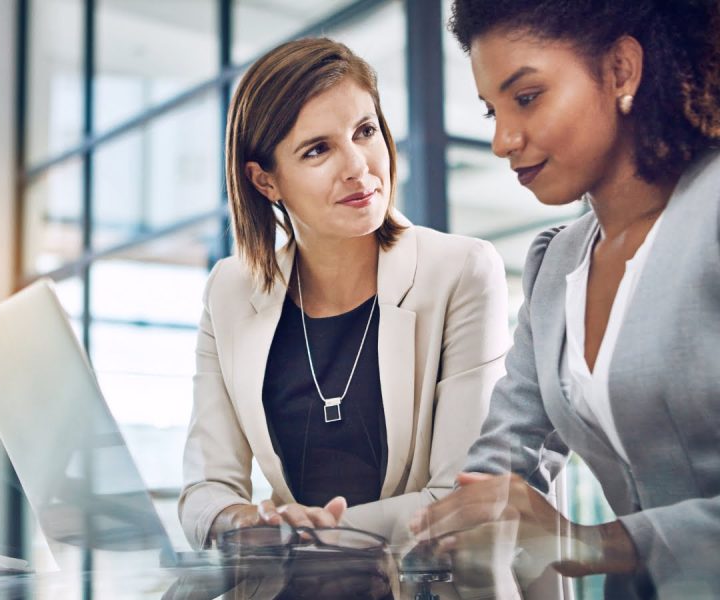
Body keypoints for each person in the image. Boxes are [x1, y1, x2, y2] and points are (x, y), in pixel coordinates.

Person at [410, 1, 720, 598]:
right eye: (490, 111)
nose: (503, 140)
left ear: (621, 71)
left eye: (526, 97)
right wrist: (413, 538)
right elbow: (500, 457)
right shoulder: (556, 265)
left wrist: (596, 543)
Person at [178, 37, 509, 551]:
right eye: (317, 150)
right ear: (266, 182)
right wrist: (245, 523)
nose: (357, 166)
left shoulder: (461, 271)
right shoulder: (229, 291)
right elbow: (206, 490)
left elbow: (456, 501)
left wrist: (309, 538)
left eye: (365, 131)